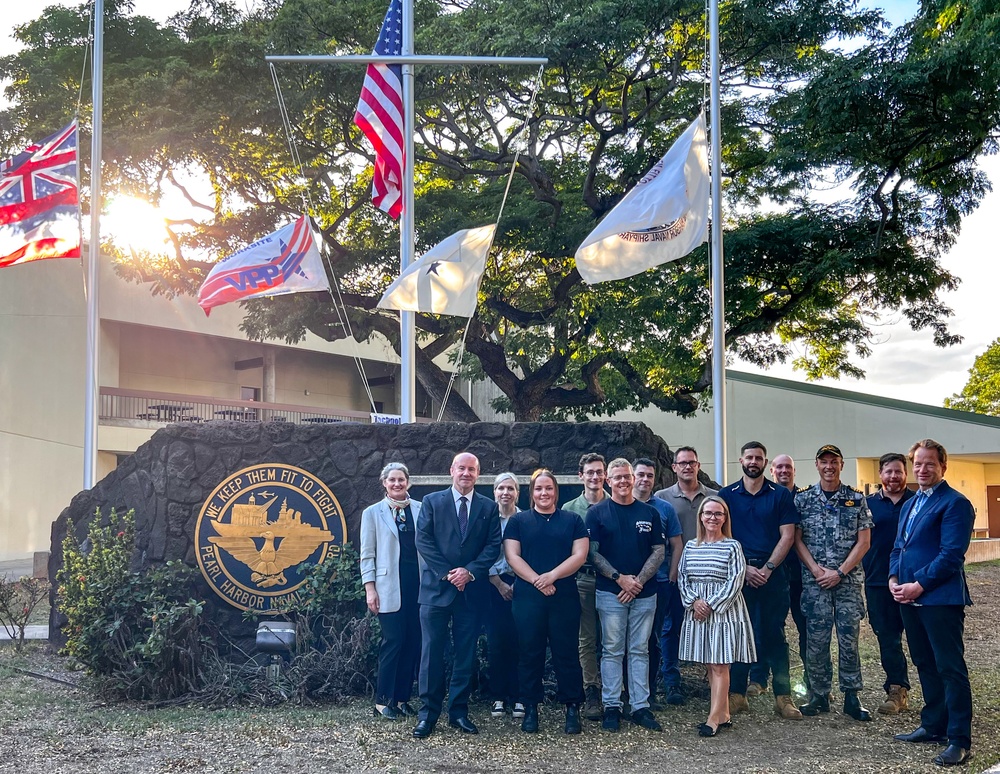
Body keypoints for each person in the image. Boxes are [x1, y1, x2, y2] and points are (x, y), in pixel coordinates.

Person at [891, 439, 975, 767]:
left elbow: (951, 554)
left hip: (940, 599)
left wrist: (918, 584)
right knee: (925, 664)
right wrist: (894, 580)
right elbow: (899, 547)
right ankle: (933, 725)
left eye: (930, 464)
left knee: (950, 668)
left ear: (943, 467)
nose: (923, 470)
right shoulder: (912, 503)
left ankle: (958, 739)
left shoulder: (955, 503)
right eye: (918, 464)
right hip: (908, 597)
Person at [412, 452, 501, 738]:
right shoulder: (432, 502)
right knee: (431, 654)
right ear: (452, 470)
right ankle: (427, 715)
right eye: (461, 468)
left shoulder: (488, 507)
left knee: (466, 654)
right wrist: (450, 573)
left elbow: (493, 545)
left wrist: (469, 572)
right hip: (436, 590)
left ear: (478, 473)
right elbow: (422, 540)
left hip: (471, 592)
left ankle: (459, 712)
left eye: (471, 469)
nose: (466, 473)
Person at [719, 442, 802, 721]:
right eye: (749, 457)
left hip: (773, 574)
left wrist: (766, 568)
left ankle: (783, 696)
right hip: (738, 575)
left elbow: (788, 536)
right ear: (740, 460)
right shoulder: (726, 495)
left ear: (765, 463)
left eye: (759, 458)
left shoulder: (779, 495)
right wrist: (744, 568)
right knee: (739, 634)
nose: (753, 462)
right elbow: (720, 535)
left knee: (774, 635)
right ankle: (737, 695)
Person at [504, 469, 590, 734]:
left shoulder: (572, 520)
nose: (544, 493)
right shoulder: (519, 521)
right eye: (539, 489)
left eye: (548, 488)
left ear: (556, 491)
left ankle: (572, 707)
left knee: (566, 653)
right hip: (528, 597)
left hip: (563, 595)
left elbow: (580, 554)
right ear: (532, 493)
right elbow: (512, 556)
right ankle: (530, 707)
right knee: (530, 653)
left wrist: (552, 576)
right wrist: (536, 580)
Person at [794, 444, 873, 722]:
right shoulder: (803, 500)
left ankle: (852, 695)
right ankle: (819, 695)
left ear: (841, 465)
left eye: (834, 461)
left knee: (849, 640)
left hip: (848, 582)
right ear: (816, 464)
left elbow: (864, 542)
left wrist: (839, 572)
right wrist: (816, 570)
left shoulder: (856, 499)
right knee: (816, 640)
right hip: (815, 583)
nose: (829, 466)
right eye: (824, 461)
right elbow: (796, 539)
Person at [587, 458, 665, 733]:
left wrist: (638, 581)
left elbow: (659, 550)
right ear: (608, 480)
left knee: (640, 649)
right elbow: (592, 552)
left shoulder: (650, 513)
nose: (622, 481)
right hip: (610, 592)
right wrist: (619, 578)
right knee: (612, 650)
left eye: (626, 476)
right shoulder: (596, 513)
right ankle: (611, 706)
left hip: (645, 593)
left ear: (633, 479)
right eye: (617, 477)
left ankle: (640, 706)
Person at [678, 496, 756, 737]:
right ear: (701, 516)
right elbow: (682, 577)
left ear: (725, 518)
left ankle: (713, 719)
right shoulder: (691, 546)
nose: (712, 518)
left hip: (724, 611)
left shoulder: (732, 546)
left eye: (718, 514)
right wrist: (694, 602)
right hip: (698, 610)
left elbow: (735, 580)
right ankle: (723, 714)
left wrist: (710, 604)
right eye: (708, 513)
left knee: (720, 664)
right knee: (710, 665)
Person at [360, 462, 423, 720]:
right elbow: (367, 554)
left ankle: (402, 698)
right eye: (392, 480)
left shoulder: (421, 509)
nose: (397, 484)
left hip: (417, 587)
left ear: (408, 482)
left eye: (401, 480)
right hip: (388, 588)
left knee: (412, 643)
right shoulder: (373, 513)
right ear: (384, 483)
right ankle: (383, 701)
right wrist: (370, 589)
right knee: (393, 642)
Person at [632, 457, 685, 707]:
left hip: (660, 583)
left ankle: (649, 692)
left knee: (652, 639)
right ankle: (625, 691)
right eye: (640, 474)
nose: (645, 480)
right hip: (623, 586)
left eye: (649, 476)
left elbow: (676, 544)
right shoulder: (617, 505)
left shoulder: (664, 508)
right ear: (633, 476)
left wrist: (672, 575)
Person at [864, 453, 914, 715]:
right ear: (880, 475)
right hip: (878, 582)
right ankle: (896, 689)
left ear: (906, 474)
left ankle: (937, 694)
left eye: (898, 471)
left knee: (920, 639)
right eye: (888, 472)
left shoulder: (917, 502)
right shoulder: (867, 505)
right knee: (887, 638)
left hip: (915, 582)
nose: (893, 476)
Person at [563, 452, 608, 721]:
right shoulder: (570, 510)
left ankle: (618, 691)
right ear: (581, 476)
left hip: (613, 582)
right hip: (582, 580)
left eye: (599, 472)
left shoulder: (617, 505)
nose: (594, 477)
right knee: (586, 639)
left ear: (605, 475)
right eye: (589, 472)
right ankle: (591, 689)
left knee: (615, 639)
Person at [770, 453, 809, 700]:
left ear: (794, 471)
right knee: (772, 627)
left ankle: (811, 680)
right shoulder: (769, 496)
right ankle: (762, 677)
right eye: (779, 467)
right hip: (774, 574)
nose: (784, 471)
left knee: (807, 629)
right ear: (772, 471)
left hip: (803, 576)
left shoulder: (806, 499)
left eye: (788, 467)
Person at [487, 472, 524, 720]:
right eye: (501, 488)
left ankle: (520, 696)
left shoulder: (526, 519)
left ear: (517, 493)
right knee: (497, 642)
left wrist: (519, 583)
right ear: (495, 492)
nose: (505, 493)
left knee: (522, 642)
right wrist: (499, 584)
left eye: (510, 488)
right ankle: (498, 696)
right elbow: (483, 553)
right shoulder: (487, 519)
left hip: (522, 584)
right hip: (493, 584)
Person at [654, 446, 717, 546]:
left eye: (692, 463)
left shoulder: (715, 497)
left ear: (698, 466)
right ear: (674, 467)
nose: (688, 467)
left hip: (708, 557)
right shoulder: (661, 497)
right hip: (675, 559)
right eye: (683, 463)